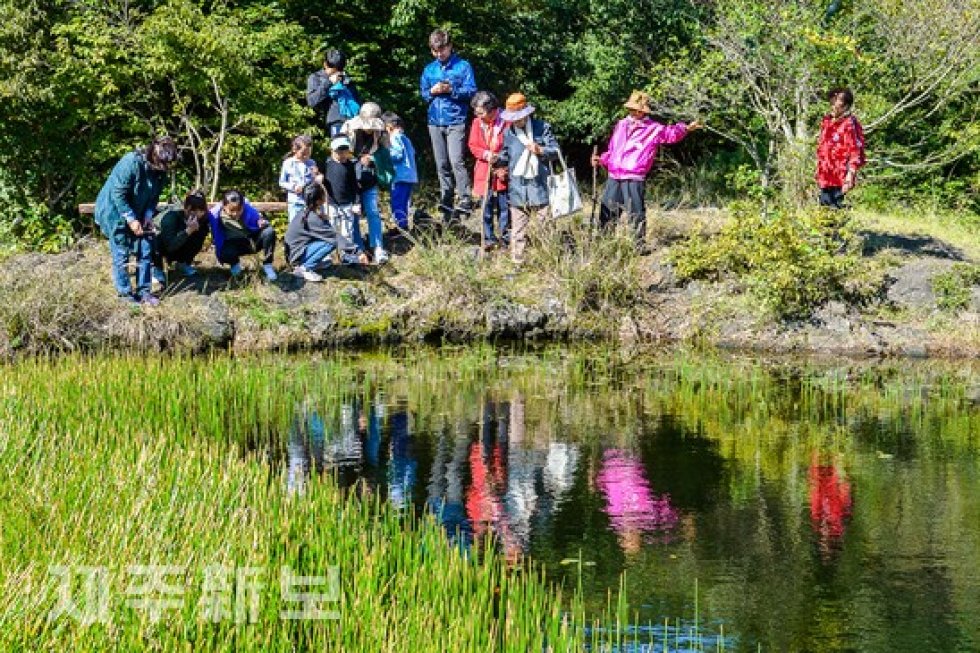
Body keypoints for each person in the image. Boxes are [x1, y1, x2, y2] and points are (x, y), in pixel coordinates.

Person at [591, 91, 700, 249]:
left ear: (643, 111)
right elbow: (613, 149)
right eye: (632, 109)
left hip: (635, 176)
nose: (633, 112)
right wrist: (601, 159)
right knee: (608, 210)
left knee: (636, 212)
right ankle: (603, 245)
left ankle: (638, 246)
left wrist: (686, 128)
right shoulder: (621, 125)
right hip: (615, 175)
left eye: (637, 110)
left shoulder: (653, 128)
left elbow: (671, 134)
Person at [94, 135, 178, 305]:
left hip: (140, 210)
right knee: (121, 253)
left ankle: (144, 292)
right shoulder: (130, 162)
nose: (163, 168)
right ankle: (125, 294)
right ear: (153, 151)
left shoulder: (162, 172)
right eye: (161, 163)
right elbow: (118, 193)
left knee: (145, 250)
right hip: (115, 211)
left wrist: (147, 215)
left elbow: (154, 196)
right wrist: (131, 219)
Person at [494, 93, 559, 264]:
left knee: (545, 226)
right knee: (518, 229)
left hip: (540, 186)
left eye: (519, 118)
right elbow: (506, 155)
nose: (516, 121)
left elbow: (556, 151)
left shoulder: (542, 127)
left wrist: (541, 150)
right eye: (513, 119)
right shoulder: (509, 133)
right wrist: (498, 162)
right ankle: (518, 262)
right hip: (518, 187)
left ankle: (548, 259)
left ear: (527, 114)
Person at [419, 28, 477, 220]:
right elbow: (424, 94)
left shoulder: (463, 66)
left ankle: (466, 198)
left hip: (456, 119)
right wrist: (433, 91)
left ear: (449, 46)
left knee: (456, 160)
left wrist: (451, 89)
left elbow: (471, 91)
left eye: (442, 50)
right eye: (435, 51)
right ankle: (446, 199)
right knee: (441, 163)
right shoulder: (429, 69)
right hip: (435, 121)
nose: (439, 54)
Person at [285, 182, 367, 282]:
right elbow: (334, 236)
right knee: (330, 242)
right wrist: (358, 252)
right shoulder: (313, 218)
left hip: (295, 253)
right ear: (319, 200)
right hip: (296, 257)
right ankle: (304, 268)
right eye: (324, 193)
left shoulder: (307, 212)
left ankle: (312, 263)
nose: (326, 195)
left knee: (329, 240)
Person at [341, 103, 390, 263]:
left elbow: (386, 155)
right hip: (351, 178)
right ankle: (358, 248)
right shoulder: (349, 129)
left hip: (370, 178)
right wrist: (357, 160)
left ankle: (378, 247)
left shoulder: (382, 133)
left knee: (373, 212)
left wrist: (373, 159)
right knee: (353, 214)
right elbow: (339, 153)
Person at [468, 91, 509, 250]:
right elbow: (473, 145)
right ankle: (488, 239)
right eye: (476, 112)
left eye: (481, 112)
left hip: (503, 169)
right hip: (484, 168)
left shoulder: (506, 121)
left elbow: (511, 145)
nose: (478, 115)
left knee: (504, 206)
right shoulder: (477, 123)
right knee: (486, 205)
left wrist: (500, 159)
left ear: (492, 110)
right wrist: (486, 154)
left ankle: (506, 238)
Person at [207, 189, 278, 280]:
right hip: (232, 245)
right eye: (232, 210)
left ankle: (268, 265)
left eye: (239, 210)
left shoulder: (249, 210)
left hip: (251, 241)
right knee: (224, 252)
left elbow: (259, 219)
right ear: (224, 206)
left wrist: (261, 222)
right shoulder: (215, 215)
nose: (235, 213)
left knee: (269, 232)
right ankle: (235, 264)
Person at [816, 87, 866, 209]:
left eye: (837, 101)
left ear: (845, 106)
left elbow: (855, 151)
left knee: (836, 211)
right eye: (832, 101)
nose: (833, 104)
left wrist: (850, 175)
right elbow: (822, 147)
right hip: (826, 175)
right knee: (824, 211)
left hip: (840, 177)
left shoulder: (849, 124)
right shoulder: (827, 121)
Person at [153, 190, 210, 278]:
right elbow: (170, 246)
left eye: (201, 210)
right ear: (185, 208)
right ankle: (157, 268)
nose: (197, 214)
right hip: (162, 247)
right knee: (156, 240)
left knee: (199, 235)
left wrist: (195, 231)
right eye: (193, 210)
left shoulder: (203, 221)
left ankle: (183, 263)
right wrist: (188, 231)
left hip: (179, 248)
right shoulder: (171, 217)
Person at [322, 136, 364, 252]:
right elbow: (320, 183)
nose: (342, 155)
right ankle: (328, 255)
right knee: (330, 230)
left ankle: (348, 255)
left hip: (347, 204)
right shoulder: (326, 164)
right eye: (339, 152)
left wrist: (356, 203)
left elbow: (354, 186)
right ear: (333, 151)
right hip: (331, 203)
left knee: (347, 232)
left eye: (345, 151)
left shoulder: (350, 165)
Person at [306, 49, 361, 137]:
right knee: (339, 149)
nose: (337, 72)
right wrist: (328, 83)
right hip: (335, 122)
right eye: (334, 69)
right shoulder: (316, 78)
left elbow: (357, 101)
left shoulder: (346, 79)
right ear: (325, 64)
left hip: (352, 122)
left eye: (339, 69)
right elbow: (311, 101)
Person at [383, 111, 418, 230]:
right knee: (404, 201)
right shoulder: (404, 137)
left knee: (397, 202)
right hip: (409, 175)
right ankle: (403, 224)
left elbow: (397, 154)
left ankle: (400, 226)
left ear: (388, 127)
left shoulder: (395, 137)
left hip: (400, 175)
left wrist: (384, 156)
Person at [279, 135, 322, 223]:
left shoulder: (312, 162)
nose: (306, 156)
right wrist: (294, 187)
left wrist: (317, 175)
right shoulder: (288, 163)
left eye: (309, 153)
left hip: (309, 203)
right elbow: (282, 182)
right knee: (295, 226)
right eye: (303, 153)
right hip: (295, 202)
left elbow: (316, 181)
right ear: (295, 150)